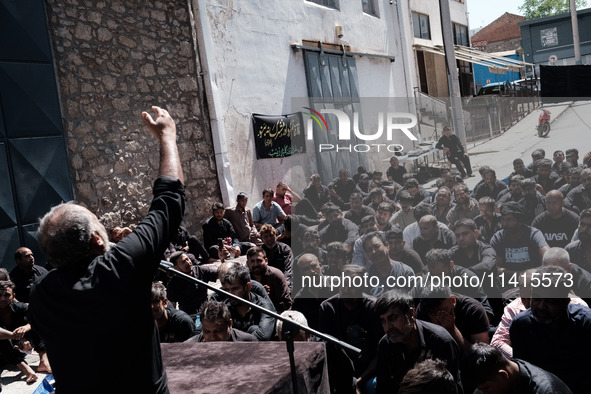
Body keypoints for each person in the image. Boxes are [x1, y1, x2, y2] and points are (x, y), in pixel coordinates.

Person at [29, 105, 184, 393]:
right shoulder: (121, 267)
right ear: (97, 240)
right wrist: (168, 136)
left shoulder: (40, 294)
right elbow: (169, 201)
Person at [510, 265, 591, 394]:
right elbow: (525, 373)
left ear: (565, 302)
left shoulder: (586, 322)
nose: (541, 306)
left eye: (550, 301)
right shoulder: (521, 326)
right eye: (536, 298)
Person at [374, 290, 461, 394]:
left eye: (393, 318)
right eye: (383, 321)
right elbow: (383, 388)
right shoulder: (385, 345)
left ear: (411, 313)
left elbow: (452, 387)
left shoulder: (441, 341)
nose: (388, 327)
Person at [318, 265, 384, 394]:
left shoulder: (373, 308)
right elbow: (324, 349)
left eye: (353, 285)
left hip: (367, 373)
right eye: (343, 284)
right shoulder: (328, 308)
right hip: (338, 374)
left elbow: (381, 351)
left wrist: (358, 382)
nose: (346, 289)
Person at [463, 343, 573, 394]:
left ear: (503, 375)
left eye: (486, 389)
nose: (483, 393)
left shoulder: (546, 391)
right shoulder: (491, 381)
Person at [0, 280, 48, 383]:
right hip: (3, 352)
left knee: (35, 324)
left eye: (7, 295)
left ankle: (43, 361)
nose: (2, 299)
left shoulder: (19, 307)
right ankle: (26, 369)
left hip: (18, 346)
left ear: (13, 296)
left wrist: (26, 327)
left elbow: (37, 317)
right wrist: (16, 337)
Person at [417, 286, 490, 352]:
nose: (438, 317)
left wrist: (452, 330)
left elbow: (481, 353)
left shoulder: (473, 309)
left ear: (453, 300)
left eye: (442, 311)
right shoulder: (424, 310)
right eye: (433, 313)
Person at [219, 263, 276, 341]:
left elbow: (263, 336)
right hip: (233, 350)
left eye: (235, 289)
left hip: (262, 350)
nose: (230, 293)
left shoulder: (264, 306)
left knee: (253, 328)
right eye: (227, 289)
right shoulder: (225, 307)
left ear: (248, 287)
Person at [490, 201, 549, 275]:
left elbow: (548, 256)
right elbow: (497, 268)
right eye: (503, 219)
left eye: (509, 220)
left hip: (532, 280)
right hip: (509, 282)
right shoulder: (498, 238)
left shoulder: (533, 234)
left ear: (520, 221)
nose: (505, 224)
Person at [166, 251, 218, 319]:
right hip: (188, 316)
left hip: (205, 313)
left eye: (188, 259)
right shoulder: (173, 283)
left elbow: (221, 274)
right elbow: (172, 307)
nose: (188, 262)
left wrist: (223, 260)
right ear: (176, 268)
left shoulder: (200, 270)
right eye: (183, 262)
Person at [363, 231, 415, 296]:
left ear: (387, 246)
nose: (374, 252)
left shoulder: (405, 272)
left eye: (377, 246)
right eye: (370, 250)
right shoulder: (366, 277)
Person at [245, 246, 292, 313]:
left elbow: (285, 303)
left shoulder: (275, 275)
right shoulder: (245, 277)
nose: (255, 264)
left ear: (266, 261)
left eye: (259, 261)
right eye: (252, 261)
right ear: (247, 263)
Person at [185, 301, 257, 342]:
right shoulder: (189, 346)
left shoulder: (248, 343)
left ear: (229, 324)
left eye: (218, 331)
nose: (212, 337)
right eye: (207, 331)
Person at [259, 223, 294, 291]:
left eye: (271, 235)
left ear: (275, 236)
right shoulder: (260, 252)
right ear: (262, 239)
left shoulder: (285, 249)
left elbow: (289, 270)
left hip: (285, 282)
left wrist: (284, 285)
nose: (269, 239)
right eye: (265, 236)